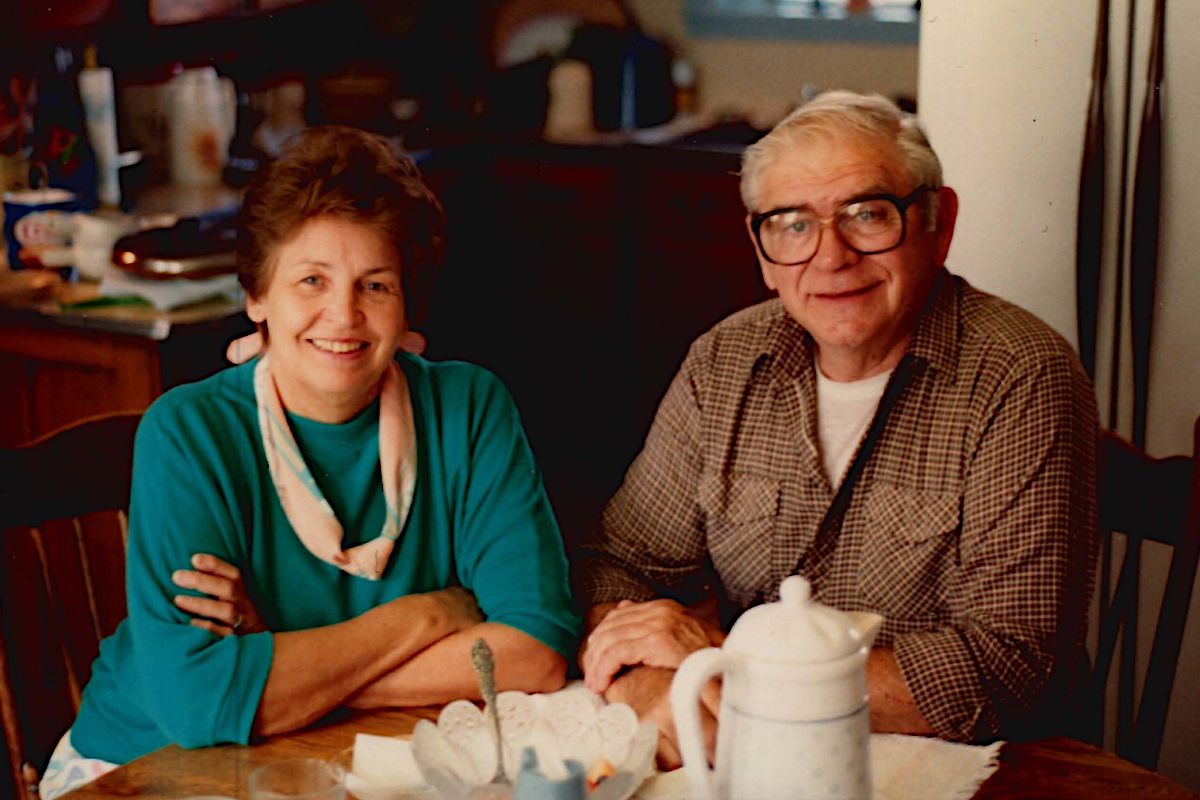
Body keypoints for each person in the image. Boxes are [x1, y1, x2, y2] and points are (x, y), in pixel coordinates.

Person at [41, 126, 579, 798]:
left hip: (351, 750)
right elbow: (198, 702)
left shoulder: (468, 408)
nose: (343, 315)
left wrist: (288, 675)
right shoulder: (188, 433)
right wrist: (426, 617)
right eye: (311, 280)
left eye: (375, 286)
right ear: (257, 298)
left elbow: (534, 652)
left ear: (405, 301)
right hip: (146, 764)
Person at [575, 91, 1098, 764]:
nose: (830, 256)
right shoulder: (724, 363)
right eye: (793, 224)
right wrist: (649, 680)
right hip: (753, 752)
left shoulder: (1021, 376)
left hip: (979, 773)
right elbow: (617, 566)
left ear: (939, 225)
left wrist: (729, 664)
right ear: (763, 253)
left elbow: (1012, 668)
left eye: (867, 214)